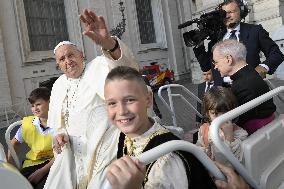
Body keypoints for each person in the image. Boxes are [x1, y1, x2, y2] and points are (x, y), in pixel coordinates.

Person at [45, 9, 138, 189]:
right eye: (62, 59)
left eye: (71, 55)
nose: (68, 61)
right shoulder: (58, 85)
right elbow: (58, 124)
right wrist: (59, 135)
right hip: (72, 154)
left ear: (82, 55)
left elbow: (127, 69)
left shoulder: (99, 66)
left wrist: (109, 43)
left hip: (105, 146)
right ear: (58, 65)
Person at [103, 66, 217, 189]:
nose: (121, 111)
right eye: (112, 103)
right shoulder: (123, 136)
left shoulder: (168, 159)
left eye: (130, 100)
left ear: (148, 99)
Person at [193, 0, 284, 86]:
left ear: (241, 12)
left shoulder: (255, 31)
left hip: (250, 87)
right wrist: (199, 46)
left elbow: (276, 53)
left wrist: (263, 67)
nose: (227, 16)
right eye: (224, 13)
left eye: (231, 12)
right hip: (224, 93)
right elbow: (207, 66)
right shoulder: (216, 37)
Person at [212, 39, 276, 134]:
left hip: (254, 138)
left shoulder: (242, 86)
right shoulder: (251, 74)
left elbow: (232, 123)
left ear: (228, 59)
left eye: (216, 62)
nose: (215, 67)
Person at [7, 87, 54, 189]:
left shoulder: (61, 123)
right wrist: (11, 167)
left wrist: (41, 171)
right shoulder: (28, 124)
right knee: (20, 185)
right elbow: (13, 143)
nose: (34, 109)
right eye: (32, 106)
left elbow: (64, 153)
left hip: (56, 163)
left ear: (50, 102)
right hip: (33, 164)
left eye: (38, 104)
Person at [196, 86, 248, 164]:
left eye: (225, 113)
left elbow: (230, 162)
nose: (220, 119)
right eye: (214, 114)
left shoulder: (239, 133)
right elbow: (199, 149)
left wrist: (229, 137)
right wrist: (205, 151)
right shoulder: (204, 129)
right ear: (208, 113)